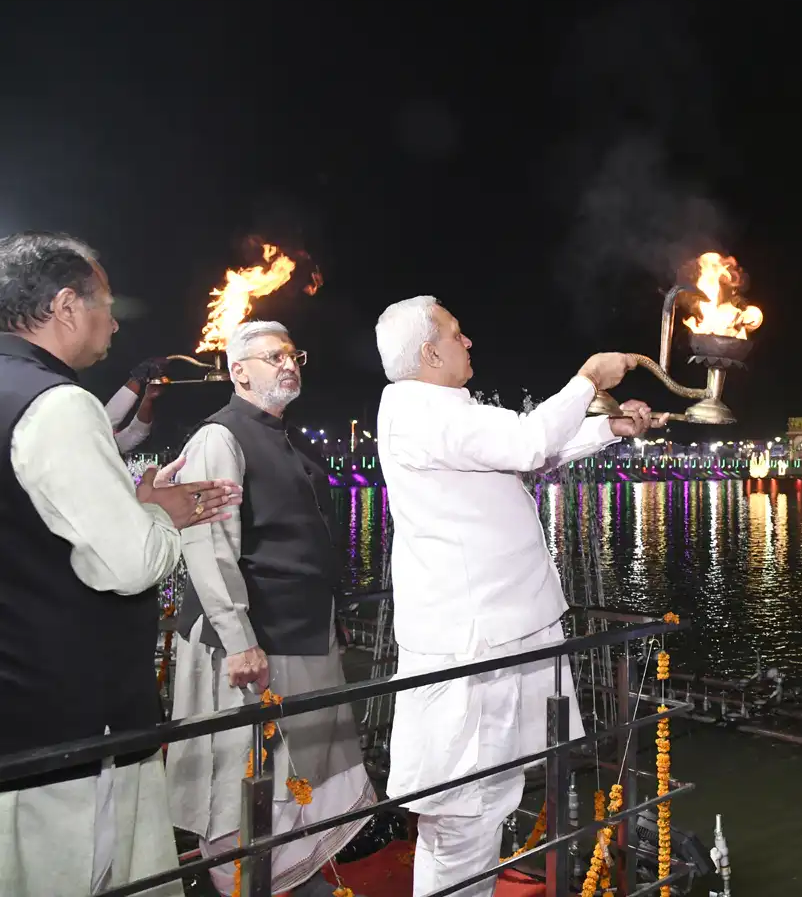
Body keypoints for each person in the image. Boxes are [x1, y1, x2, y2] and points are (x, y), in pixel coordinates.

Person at [374, 295, 662, 897]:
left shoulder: (439, 410)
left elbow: (527, 449)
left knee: (493, 797)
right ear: (429, 353)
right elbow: (529, 442)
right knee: (464, 812)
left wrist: (609, 428)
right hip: (474, 645)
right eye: (456, 333)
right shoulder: (420, 411)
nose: (468, 341)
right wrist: (589, 379)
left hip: (501, 636)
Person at [0, 231, 243, 897]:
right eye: (105, 306)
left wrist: (132, 505)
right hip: (67, 731)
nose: (113, 322)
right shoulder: (56, 402)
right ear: (65, 307)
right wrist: (162, 516)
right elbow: (132, 564)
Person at [166, 320, 375, 897]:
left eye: (292, 355)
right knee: (245, 774)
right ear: (238, 372)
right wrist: (239, 641)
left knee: (300, 768)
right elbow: (209, 547)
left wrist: (330, 619)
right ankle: (245, 883)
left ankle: (288, 880)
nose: (288, 365)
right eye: (272, 357)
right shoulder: (219, 438)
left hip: (298, 634)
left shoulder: (285, 437)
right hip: (250, 645)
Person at [105, 358, 168, 455]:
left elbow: (137, 431)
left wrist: (148, 398)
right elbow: (104, 423)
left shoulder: (105, 445)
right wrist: (138, 377)